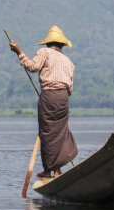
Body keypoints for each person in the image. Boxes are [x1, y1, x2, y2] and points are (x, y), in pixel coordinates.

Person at [9, 25, 78, 179]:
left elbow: (33, 67)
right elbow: (70, 88)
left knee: (47, 132)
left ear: (48, 43)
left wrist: (19, 52)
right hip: (63, 98)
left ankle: (48, 171)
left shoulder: (44, 52)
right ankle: (57, 170)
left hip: (49, 96)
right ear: (62, 44)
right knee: (60, 131)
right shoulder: (68, 61)